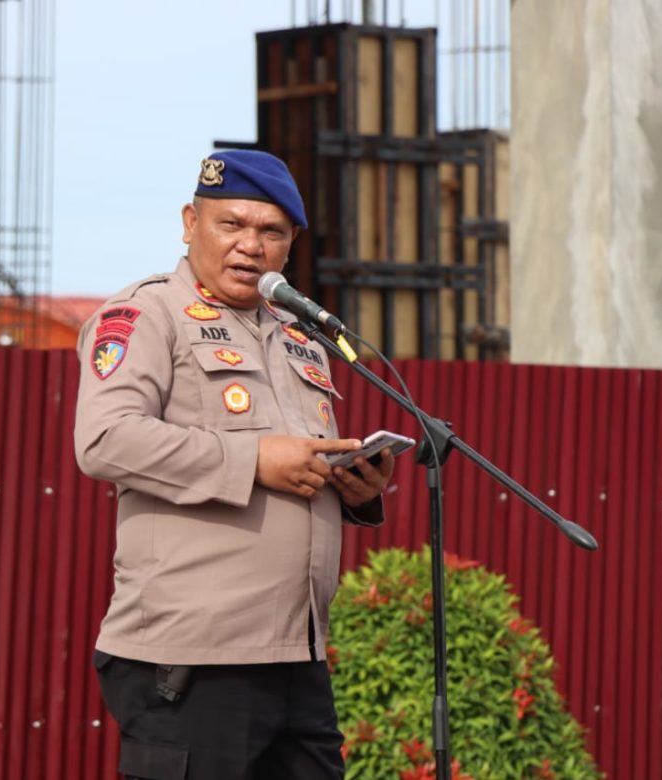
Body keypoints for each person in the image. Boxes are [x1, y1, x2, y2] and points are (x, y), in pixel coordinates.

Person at [74, 149, 395, 780]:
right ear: (191, 222)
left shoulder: (303, 336)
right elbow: (105, 438)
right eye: (232, 225)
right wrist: (252, 459)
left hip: (297, 654)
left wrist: (354, 485)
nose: (251, 245)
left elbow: (295, 464)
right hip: (193, 657)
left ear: (290, 244)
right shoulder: (145, 314)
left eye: (270, 232)